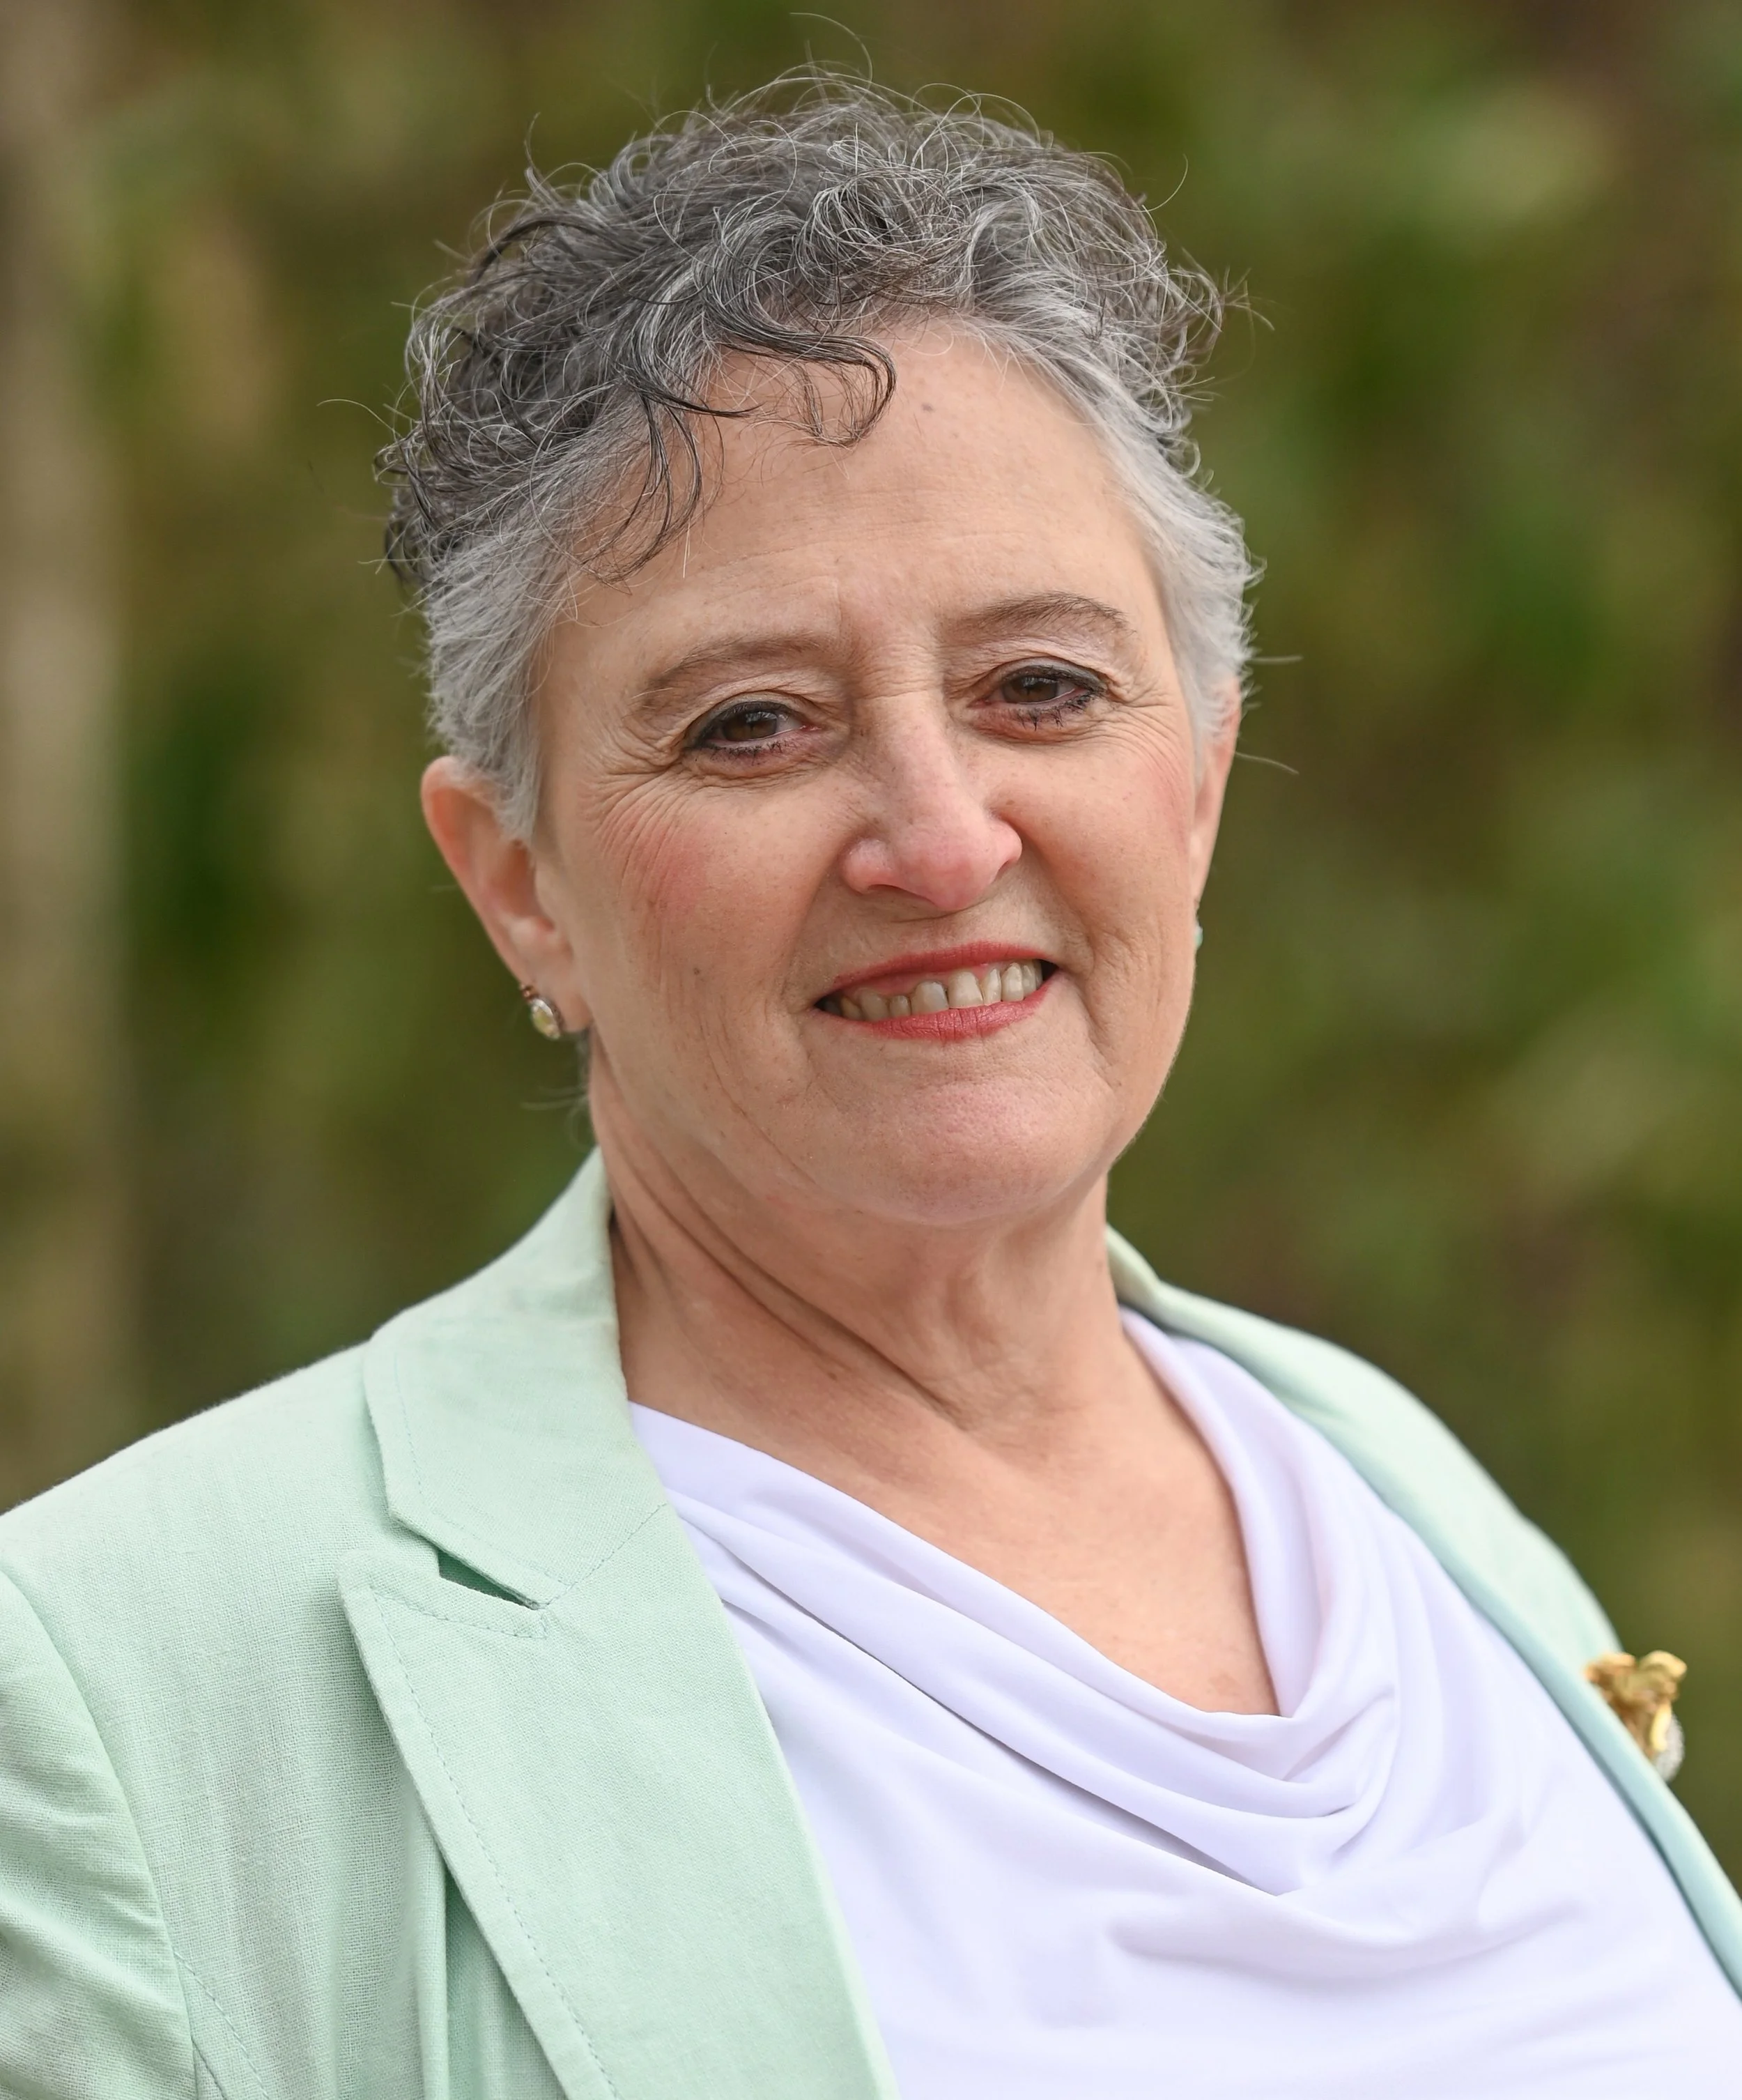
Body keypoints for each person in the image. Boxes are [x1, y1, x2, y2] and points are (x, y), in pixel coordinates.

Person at [1, 77, 1737, 2100]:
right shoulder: (127, 1679)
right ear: (518, 887)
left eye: (1043, 688)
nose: (935, 832)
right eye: (752, 724)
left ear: (1192, 784)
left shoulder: (1392, 1488)